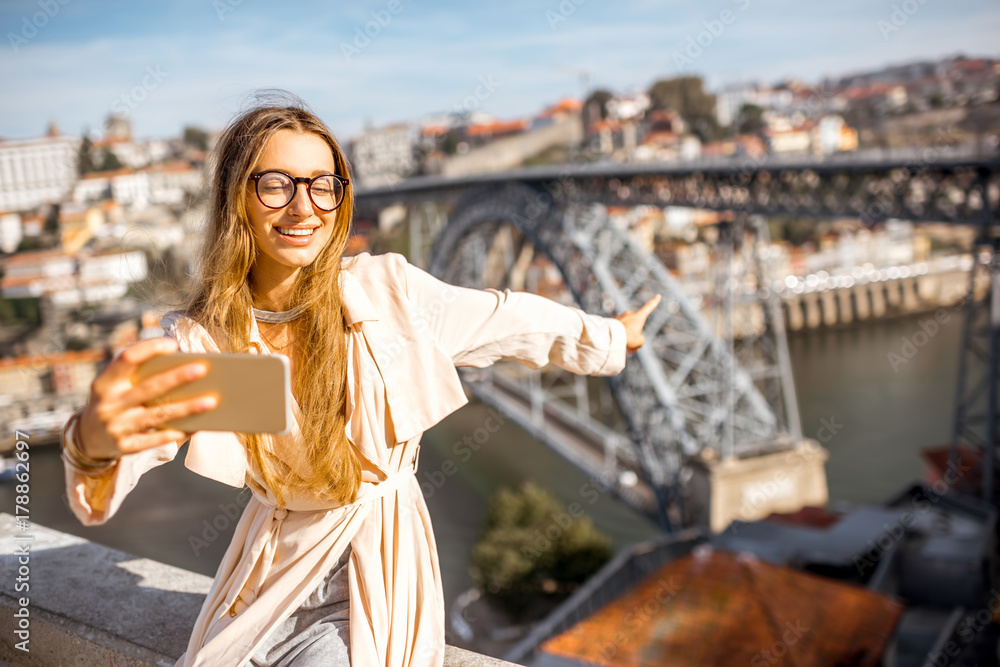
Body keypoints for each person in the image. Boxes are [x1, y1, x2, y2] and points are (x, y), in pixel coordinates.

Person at [61, 96, 661, 667]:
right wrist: (92, 441)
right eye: (276, 185)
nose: (304, 207)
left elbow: (508, 318)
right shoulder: (212, 342)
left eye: (323, 184)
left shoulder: (386, 296)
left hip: (376, 567)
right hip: (270, 574)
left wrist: (611, 336)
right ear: (235, 199)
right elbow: (137, 433)